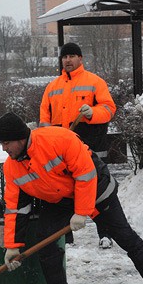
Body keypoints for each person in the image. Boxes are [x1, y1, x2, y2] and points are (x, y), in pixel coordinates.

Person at [0, 111, 143, 284]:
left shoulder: (59, 139)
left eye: (6, 143)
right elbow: (15, 207)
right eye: (1, 144)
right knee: (44, 238)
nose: (4, 148)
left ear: (21, 138)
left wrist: (82, 211)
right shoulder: (12, 168)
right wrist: (13, 245)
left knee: (124, 236)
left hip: (97, 189)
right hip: (61, 199)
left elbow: (85, 174)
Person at [39, 42, 117, 250]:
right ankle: (67, 236)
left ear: (80, 59)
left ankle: (105, 233)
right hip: (62, 148)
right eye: (65, 57)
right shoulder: (52, 87)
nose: (68, 60)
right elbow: (44, 120)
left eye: (72, 56)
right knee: (65, 190)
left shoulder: (94, 82)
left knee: (98, 191)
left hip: (91, 144)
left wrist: (92, 113)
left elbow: (109, 108)